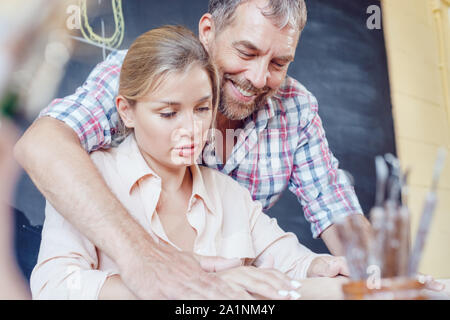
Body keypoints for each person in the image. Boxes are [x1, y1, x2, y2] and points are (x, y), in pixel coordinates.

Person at [14, 0, 370, 299]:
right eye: (247, 51)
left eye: (279, 63)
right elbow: (42, 145)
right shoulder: (142, 74)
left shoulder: (236, 190)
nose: (260, 78)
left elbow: (323, 217)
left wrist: (368, 274)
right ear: (209, 31)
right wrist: (148, 261)